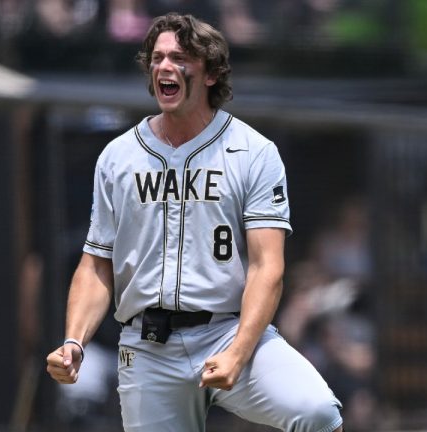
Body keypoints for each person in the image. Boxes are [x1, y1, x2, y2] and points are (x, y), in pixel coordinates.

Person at [46, 12, 344, 432]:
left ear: (210, 73)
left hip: (228, 330)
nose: (164, 66)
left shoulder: (253, 152)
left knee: (317, 412)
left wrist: (239, 352)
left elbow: (267, 267)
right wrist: (74, 340)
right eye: (157, 57)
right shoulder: (117, 156)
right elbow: (96, 264)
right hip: (148, 346)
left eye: (180, 57)